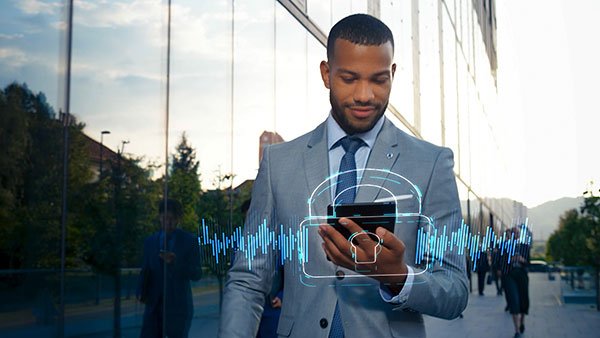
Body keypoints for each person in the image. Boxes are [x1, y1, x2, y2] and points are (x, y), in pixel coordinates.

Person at [219, 14, 468, 338]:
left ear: (392, 74)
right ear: (326, 73)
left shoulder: (432, 163)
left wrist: (397, 277)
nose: (364, 95)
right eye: (349, 78)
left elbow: (455, 291)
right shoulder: (279, 163)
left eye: (378, 79)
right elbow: (248, 278)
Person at [137, 199, 202, 338]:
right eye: (164, 218)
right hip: (154, 306)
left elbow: (197, 273)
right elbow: (145, 269)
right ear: (159, 218)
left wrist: (176, 262)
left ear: (179, 219)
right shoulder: (150, 241)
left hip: (177, 307)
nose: (168, 222)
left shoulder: (189, 241)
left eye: (172, 219)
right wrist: (140, 291)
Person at [501, 226, 531, 338]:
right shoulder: (505, 247)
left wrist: (522, 260)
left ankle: (522, 321)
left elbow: (529, 263)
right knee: (514, 300)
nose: (515, 236)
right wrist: (511, 259)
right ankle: (517, 329)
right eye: (513, 234)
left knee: (524, 299)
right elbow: (501, 263)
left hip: (522, 275)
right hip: (510, 275)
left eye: (517, 234)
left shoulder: (525, 247)